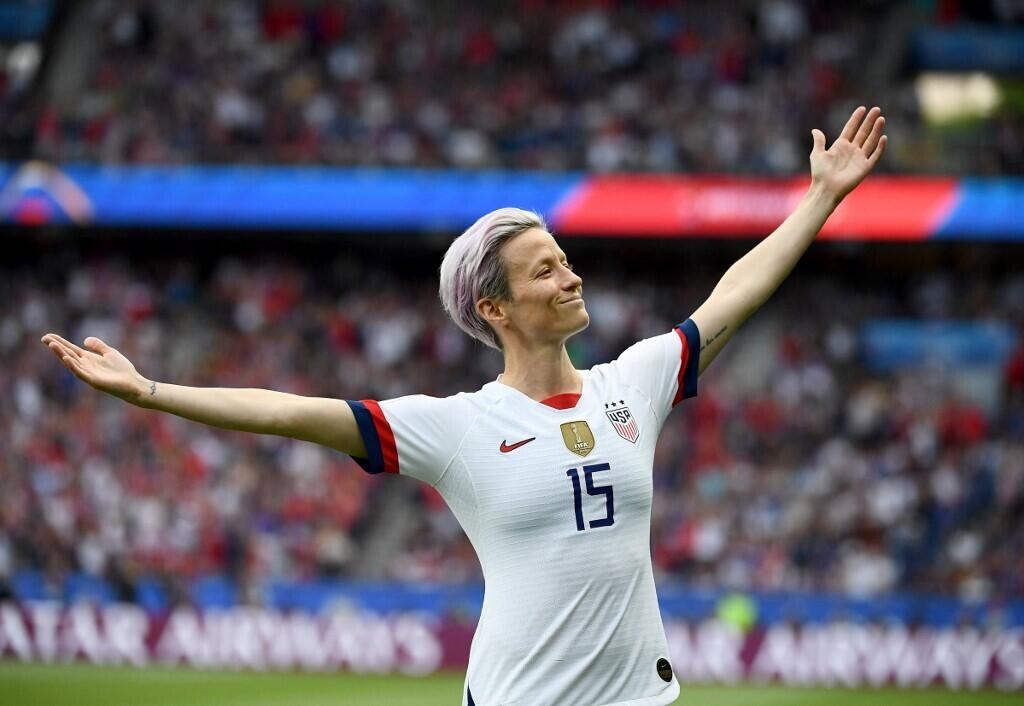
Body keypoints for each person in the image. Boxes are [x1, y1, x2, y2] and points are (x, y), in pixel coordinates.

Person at [42, 106, 886, 706]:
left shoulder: (633, 383)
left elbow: (734, 293)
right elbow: (288, 411)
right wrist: (151, 392)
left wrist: (820, 200)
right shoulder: (456, 428)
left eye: (566, 258)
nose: (571, 275)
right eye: (546, 270)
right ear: (496, 308)